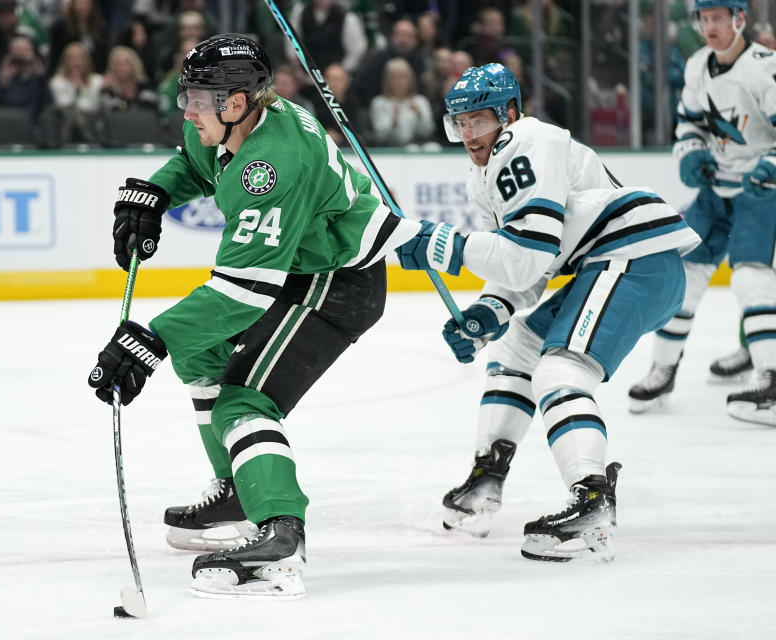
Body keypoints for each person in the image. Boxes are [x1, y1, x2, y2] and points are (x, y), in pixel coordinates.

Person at [87, 33, 418, 597]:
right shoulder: (236, 123)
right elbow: (194, 162)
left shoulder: (271, 166)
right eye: (186, 96)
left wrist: (150, 339)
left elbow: (243, 292)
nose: (187, 112)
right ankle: (239, 490)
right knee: (200, 349)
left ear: (237, 102)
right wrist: (153, 194)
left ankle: (280, 534)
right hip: (297, 268)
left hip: (334, 281)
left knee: (244, 397)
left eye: (197, 100)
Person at [395, 63, 699, 562]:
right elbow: (527, 265)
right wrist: (489, 312)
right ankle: (487, 477)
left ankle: (592, 499)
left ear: (509, 113)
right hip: (609, 261)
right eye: (460, 122)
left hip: (635, 259)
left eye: (479, 120)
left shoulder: (525, 144)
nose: (469, 133)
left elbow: (530, 255)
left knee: (560, 369)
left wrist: (440, 244)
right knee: (516, 347)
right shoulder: (487, 173)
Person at [627, 0, 776, 425]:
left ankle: (772, 375)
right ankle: (664, 369)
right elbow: (689, 122)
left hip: (760, 191)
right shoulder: (696, 66)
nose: (709, 26)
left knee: (751, 279)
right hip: (715, 190)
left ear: (739, 19)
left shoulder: (765, 66)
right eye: (704, 19)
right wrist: (691, 150)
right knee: (682, 276)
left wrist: (770, 166)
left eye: (717, 18)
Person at [369, 57, 434, 147]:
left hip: (417, 147)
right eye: (394, 78)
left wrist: (419, 115)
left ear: (410, 80)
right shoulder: (379, 103)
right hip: (390, 149)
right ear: (387, 81)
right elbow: (380, 137)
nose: (399, 82)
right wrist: (393, 122)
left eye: (403, 77)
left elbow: (428, 132)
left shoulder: (421, 101)